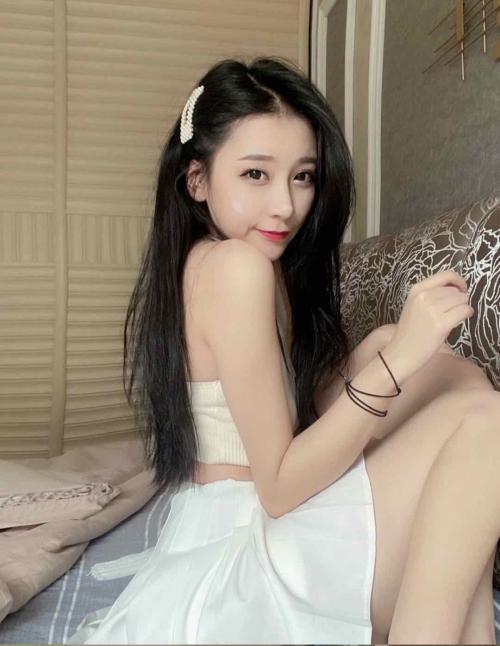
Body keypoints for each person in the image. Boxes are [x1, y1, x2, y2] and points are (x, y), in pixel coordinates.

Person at [68, 56, 500, 645]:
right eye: (255, 174)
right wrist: (398, 361)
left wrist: (383, 349)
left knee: (457, 382)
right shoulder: (236, 268)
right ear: (197, 180)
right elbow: (277, 486)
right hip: (253, 556)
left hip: (229, 531)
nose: (285, 205)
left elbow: (298, 407)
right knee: (485, 420)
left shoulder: (230, 264)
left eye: (303, 176)